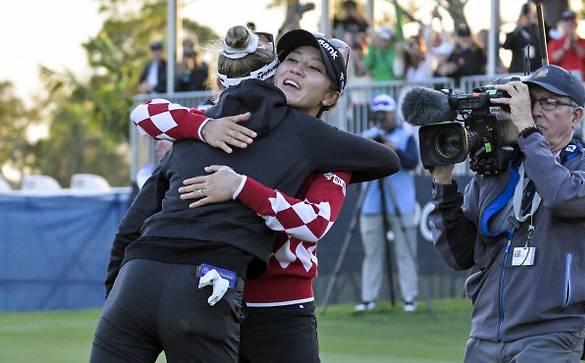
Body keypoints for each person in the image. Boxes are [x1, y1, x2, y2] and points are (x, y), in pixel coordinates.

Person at [91, 26, 400, 363]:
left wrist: (240, 187)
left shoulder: (330, 150)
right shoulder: (215, 126)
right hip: (213, 293)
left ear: (330, 97)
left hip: (277, 310)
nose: (297, 68)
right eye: (291, 60)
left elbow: (318, 220)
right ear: (272, 69)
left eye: (313, 68)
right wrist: (202, 127)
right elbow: (136, 212)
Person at [429, 64, 585, 362]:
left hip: (553, 333)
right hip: (486, 331)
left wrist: (528, 132)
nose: (535, 111)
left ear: (576, 116)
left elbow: (560, 195)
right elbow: (460, 255)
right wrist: (443, 184)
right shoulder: (495, 172)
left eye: (550, 103)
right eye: (531, 103)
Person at [354, 94, 420, 313]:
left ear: (394, 114)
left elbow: (412, 162)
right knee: (372, 254)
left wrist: (394, 149)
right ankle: (368, 299)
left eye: (387, 113)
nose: (383, 117)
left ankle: (409, 297)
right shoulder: (367, 137)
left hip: (401, 204)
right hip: (371, 204)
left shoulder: (406, 136)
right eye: (379, 113)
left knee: (405, 252)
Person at [502, 2, 543, 73]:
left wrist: (534, 22)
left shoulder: (537, 31)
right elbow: (506, 45)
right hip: (518, 71)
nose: (527, 18)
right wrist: (518, 26)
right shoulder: (517, 33)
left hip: (534, 71)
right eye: (525, 15)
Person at [548, 11, 585, 79]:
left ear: (576, 23)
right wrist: (564, 48)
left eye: (572, 21)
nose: (569, 23)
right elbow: (551, 59)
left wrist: (574, 43)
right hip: (562, 80)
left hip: (582, 80)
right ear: (562, 24)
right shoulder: (554, 42)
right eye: (566, 21)